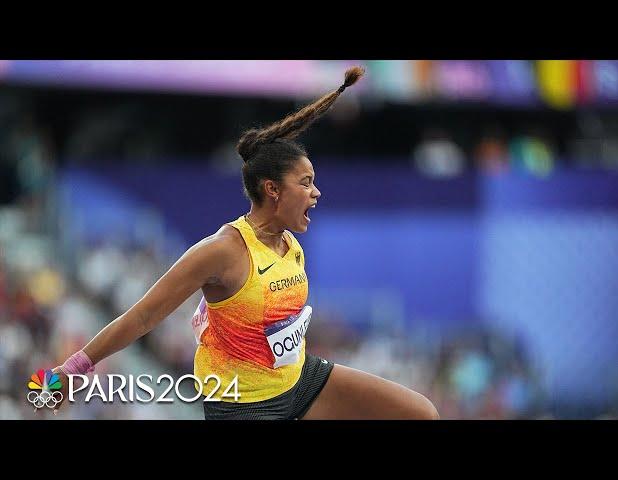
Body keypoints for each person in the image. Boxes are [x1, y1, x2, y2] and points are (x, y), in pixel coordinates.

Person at [49, 66, 439, 420]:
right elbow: (143, 317)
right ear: (272, 190)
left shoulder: (291, 244)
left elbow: (276, 326)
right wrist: (72, 370)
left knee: (421, 413)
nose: (316, 193)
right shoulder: (223, 250)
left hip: (300, 383)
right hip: (243, 408)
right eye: (305, 183)